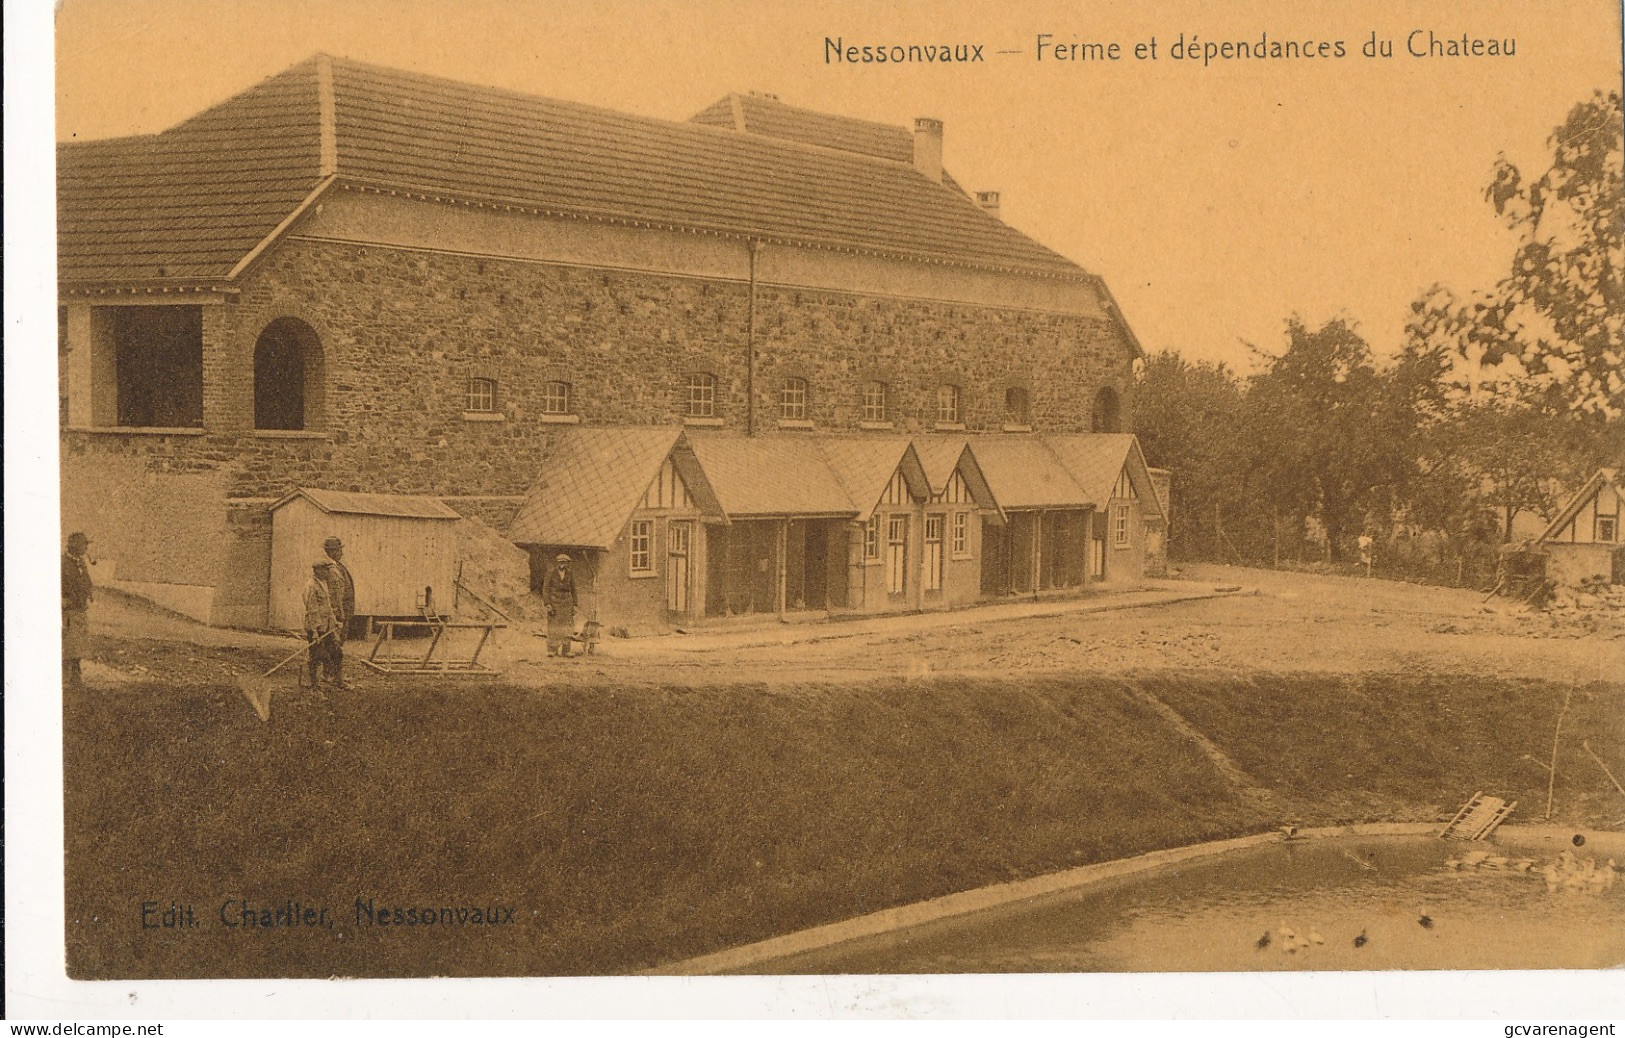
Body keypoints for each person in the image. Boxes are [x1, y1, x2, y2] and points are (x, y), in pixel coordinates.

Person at [304, 559, 344, 690]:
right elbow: (312, 610)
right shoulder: (311, 586)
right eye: (326, 570)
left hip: (328, 627)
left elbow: (327, 608)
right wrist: (315, 633)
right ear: (318, 570)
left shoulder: (323, 583)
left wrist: (335, 623)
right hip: (316, 627)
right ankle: (314, 684)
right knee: (316, 655)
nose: (328, 572)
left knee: (337, 652)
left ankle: (337, 680)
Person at [62, 532, 94, 689]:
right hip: (69, 610)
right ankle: (68, 678)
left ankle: (75, 675)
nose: (86, 548)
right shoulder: (63, 562)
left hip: (80, 608)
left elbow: (87, 580)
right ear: (74, 546)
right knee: (70, 644)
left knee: (79, 644)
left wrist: (90, 593)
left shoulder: (80, 562)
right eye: (84, 544)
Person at [542, 553, 579, 657]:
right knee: (553, 626)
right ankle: (552, 650)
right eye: (560, 562)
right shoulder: (550, 573)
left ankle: (566, 650)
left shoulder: (570, 574)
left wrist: (575, 605)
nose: (562, 564)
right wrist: (547, 604)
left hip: (567, 604)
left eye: (565, 562)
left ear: (568, 564)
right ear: (557, 563)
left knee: (567, 627)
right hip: (554, 603)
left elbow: (574, 590)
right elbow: (545, 590)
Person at [322, 536, 356, 641]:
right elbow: (330, 592)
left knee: (340, 639)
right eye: (339, 550)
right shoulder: (326, 567)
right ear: (332, 551)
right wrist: (335, 612)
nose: (341, 553)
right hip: (336, 612)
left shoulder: (339, 565)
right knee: (333, 640)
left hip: (344, 611)